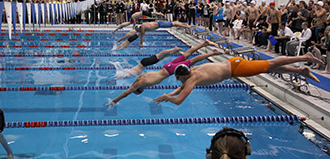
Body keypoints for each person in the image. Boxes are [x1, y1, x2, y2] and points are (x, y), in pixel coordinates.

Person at [153, 52, 322, 105]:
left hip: (237, 68)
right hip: (233, 63)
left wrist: (168, 97)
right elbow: (181, 88)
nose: (179, 82)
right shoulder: (193, 71)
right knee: (268, 67)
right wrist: (172, 92)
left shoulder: (191, 81)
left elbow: (179, 100)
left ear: (183, 75)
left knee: (271, 64)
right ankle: (300, 72)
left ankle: (302, 58)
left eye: (178, 79)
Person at [109, 40, 221, 105]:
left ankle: (212, 53)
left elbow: (125, 93)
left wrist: (113, 101)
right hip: (166, 67)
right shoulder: (141, 77)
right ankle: (204, 44)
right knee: (187, 55)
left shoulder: (139, 84)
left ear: (140, 90)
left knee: (192, 60)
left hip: (170, 71)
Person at [108, 46, 183, 81]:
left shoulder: (126, 75)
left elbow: (122, 76)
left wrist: (115, 80)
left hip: (144, 64)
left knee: (160, 56)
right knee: (161, 56)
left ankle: (173, 49)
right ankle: (175, 51)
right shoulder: (126, 73)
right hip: (143, 63)